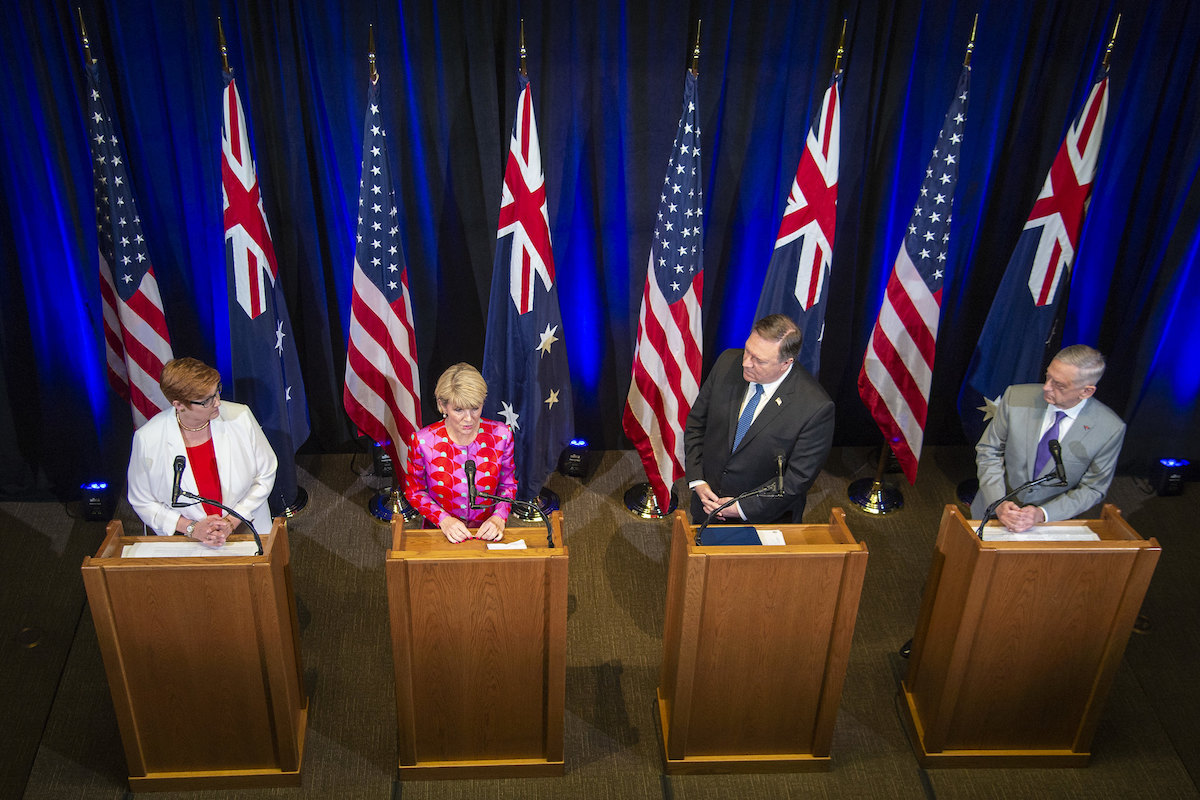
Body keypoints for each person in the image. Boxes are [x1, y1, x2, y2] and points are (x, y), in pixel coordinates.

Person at [684, 314, 835, 525]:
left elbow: (796, 479)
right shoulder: (727, 362)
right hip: (706, 502)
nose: (746, 363)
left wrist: (741, 508)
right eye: (748, 350)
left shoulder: (815, 408)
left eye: (759, 360)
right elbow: (696, 424)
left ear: (786, 363)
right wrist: (697, 480)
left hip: (759, 519)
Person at [971, 344, 1126, 532]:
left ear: (1086, 391)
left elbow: (1093, 488)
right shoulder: (1016, 397)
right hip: (991, 513)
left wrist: (1042, 514)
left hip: (1050, 524)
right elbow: (989, 451)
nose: (1046, 387)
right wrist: (998, 502)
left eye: (1059, 385)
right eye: (1048, 376)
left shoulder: (1109, 429)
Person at [127, 358, 277, 546]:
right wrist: (191, 528)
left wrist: (232, 521)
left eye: (217, 392)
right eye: (207, 401)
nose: (217, 403)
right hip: (186, 539)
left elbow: (266, 473)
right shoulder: (148, 439)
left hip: (246, 525)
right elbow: (142, 501)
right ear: (179, 405)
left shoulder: (240, 417)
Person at [405, 363, 516, 543]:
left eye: (475, 408)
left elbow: (508, 485)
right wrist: (443, 519)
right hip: (441, 532)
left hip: (488, 532)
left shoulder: (502, 436)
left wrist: (499, 517)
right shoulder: (423, 442)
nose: (469, 419)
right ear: (442, 405)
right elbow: (415, 491)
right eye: (458, 410)